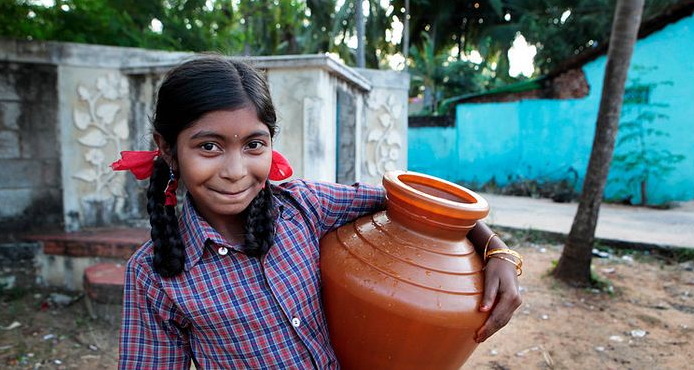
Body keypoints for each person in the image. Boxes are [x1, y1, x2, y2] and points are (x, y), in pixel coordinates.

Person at [114, 55, 522, 369]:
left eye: (254, 145)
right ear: (168, 149)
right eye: (209, 147)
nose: (236, 171)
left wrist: (496, 249)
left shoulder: (305, 205)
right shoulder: (153, 276)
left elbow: (421, 202)